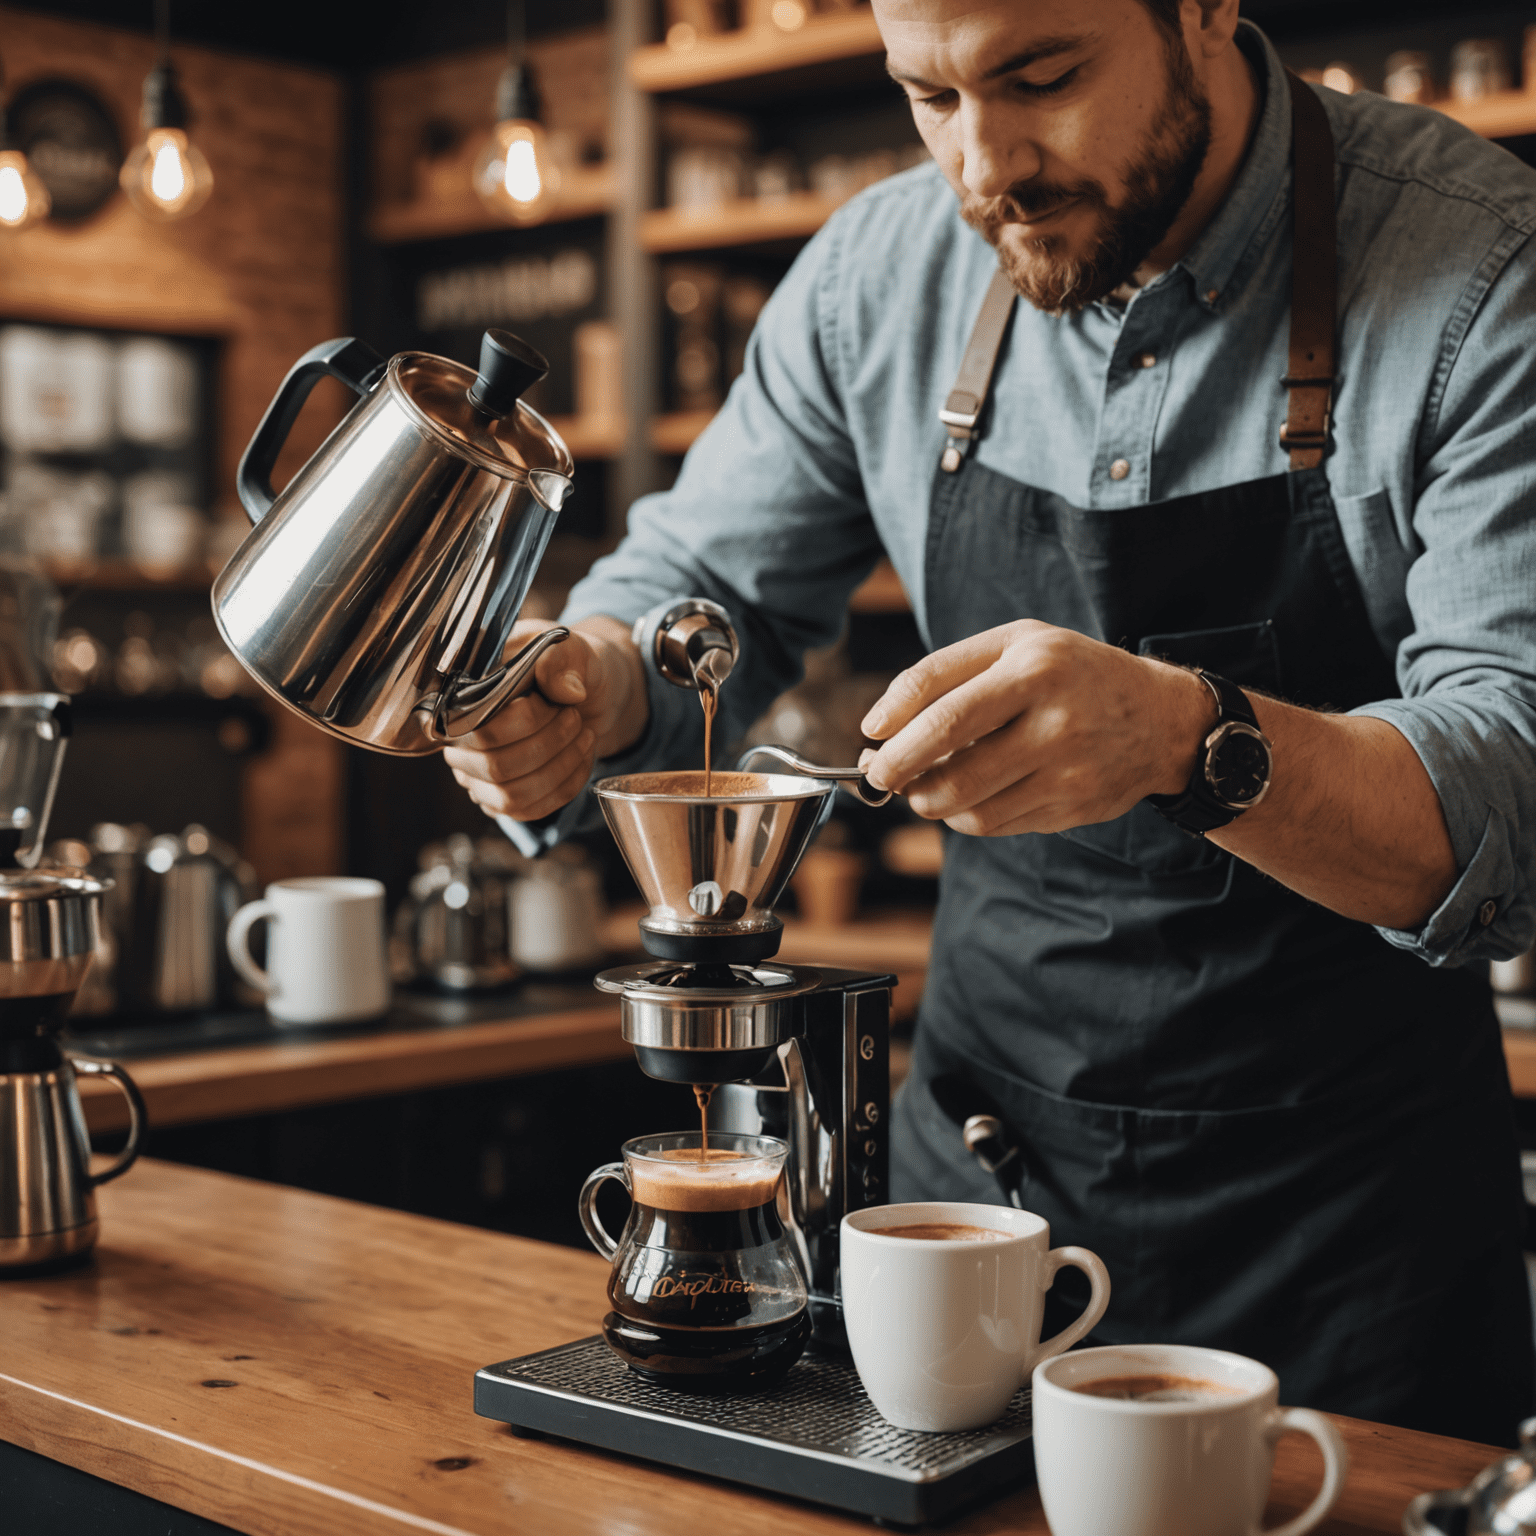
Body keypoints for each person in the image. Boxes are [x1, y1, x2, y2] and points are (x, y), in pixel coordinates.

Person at [445, 0, 1536, 1444]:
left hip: (1347, 1237)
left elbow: (1513, 773)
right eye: (928, 95)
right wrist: (591, 684)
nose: (983, 166)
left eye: (1041, 77)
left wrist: (1186, 740)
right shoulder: (878, 275)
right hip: (972, 1198)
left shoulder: (1480, 264)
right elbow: (698, 589)